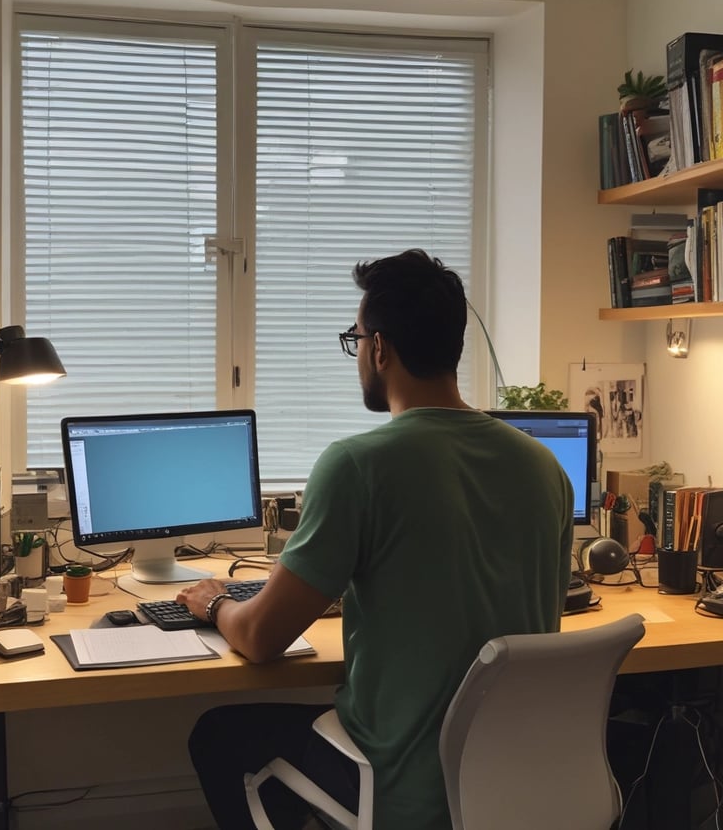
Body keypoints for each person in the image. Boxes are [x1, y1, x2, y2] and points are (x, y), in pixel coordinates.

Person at [177, 248, 574, 830]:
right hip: (511, 782)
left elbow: (262, 638)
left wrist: (214, 602)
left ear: (380, 347)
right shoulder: (545, 467)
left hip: (399, 786)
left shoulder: (358, 465)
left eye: (355, 338)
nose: (357, 352)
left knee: (218, 735)